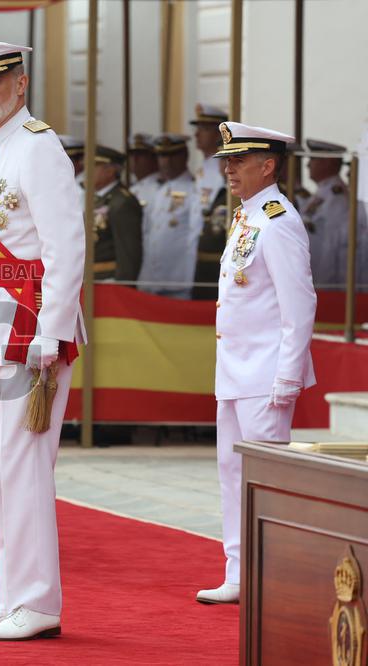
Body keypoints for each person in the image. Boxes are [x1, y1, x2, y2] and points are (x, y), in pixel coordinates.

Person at [0, 40, 86, 641]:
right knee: (2, 468)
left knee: (27, 465)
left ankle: (38, 602)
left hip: (31, 324)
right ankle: (11, 596)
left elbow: (66, 248)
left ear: (21, 83)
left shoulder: (39, 148)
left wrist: (53, 334)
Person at [196, 122, 316, 605]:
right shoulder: (249, 216)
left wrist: (288, 376)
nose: (229, 169)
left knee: (264, 481)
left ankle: (270, 574)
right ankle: (239, 571)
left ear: (267, 166)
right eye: (227, 161)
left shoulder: (279, 220)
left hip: (265, 374)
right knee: (231, 471)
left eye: (238, 161)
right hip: (236, 371)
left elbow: (299, 306)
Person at [137, 133, 197, 299]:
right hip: (151, 280)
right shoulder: (159, 191)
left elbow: (194, 237)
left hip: (178, 280)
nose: (166, 162)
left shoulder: (194, 189)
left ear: (185, 155)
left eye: (172, 155)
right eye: (162, 156)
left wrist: (189, 279)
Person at [301, 139, 358, 289]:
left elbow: (332, 244)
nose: (307, 165)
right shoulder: (323, 193)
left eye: (313, 159)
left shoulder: (336, 197)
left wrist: (322, 285)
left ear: (328, 161)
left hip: (325, 282)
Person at [190, 104, 230, 299]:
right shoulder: (202, 168)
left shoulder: (222, 168)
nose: (197, 135)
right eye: (197, 129)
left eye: (203, 129)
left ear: (218, 133)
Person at [90, 145, 142, 282]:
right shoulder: (98, 199)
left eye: (95, 166)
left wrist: (122, 285)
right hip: (92, 279)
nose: (88, 171)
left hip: (109, 279)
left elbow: (128, 252)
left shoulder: (122, 202)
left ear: (110, 170)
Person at [128, 132, 162, 210]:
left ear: (154, 158)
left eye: (140, 154)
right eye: (132, 154)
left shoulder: (159, 189)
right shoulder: (132, 188)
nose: (135, 159)